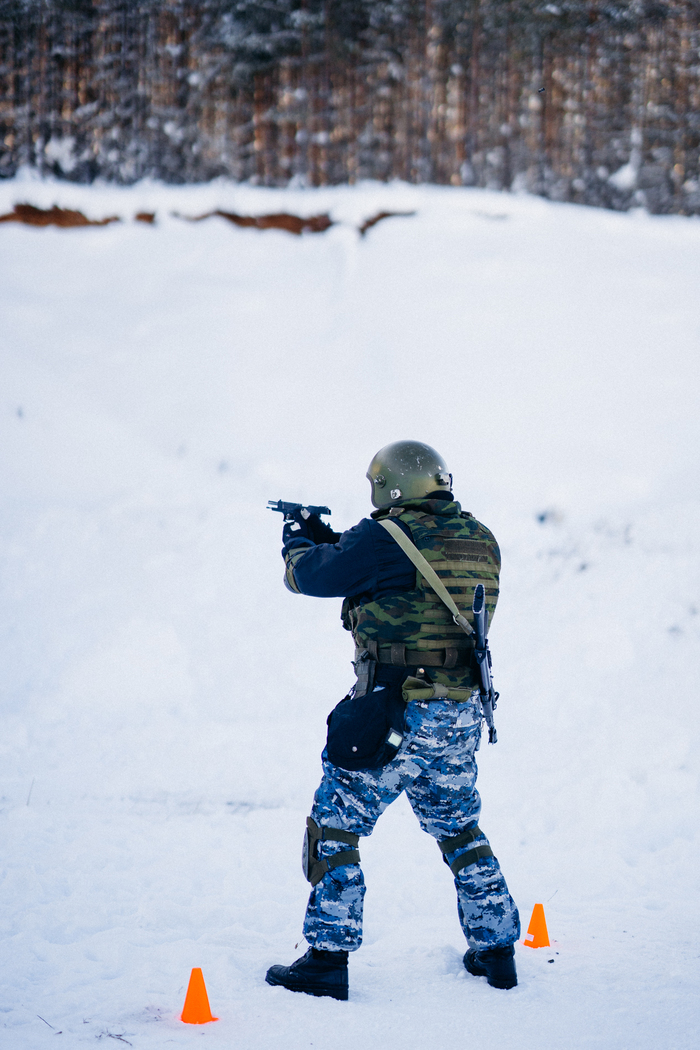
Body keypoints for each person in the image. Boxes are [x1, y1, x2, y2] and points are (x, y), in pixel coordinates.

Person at [265, 441, 520, 1001]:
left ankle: (326, 960)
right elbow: (395, 576)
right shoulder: (479, 538)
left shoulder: (387, 536)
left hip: (397, 711)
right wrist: (336, 541)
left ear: (391, 487)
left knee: (336, 824)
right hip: (458, 711)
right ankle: (497, 950)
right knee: (459, 827)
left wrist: (298, 541)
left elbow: (312, 577)